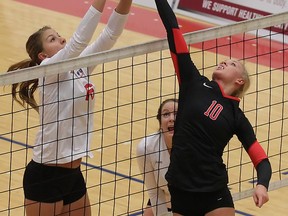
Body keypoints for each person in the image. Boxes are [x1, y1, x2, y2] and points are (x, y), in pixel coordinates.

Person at [6, 0, 132, 215]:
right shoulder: (48, 70)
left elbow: (110, 34)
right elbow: (78, 41)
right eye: (52, 39)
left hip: (73, 172)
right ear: (43, 56)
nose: (61, 38)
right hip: (46, 174)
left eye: (58, 34)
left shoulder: (79, 65)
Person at [153, 0, 272, 216]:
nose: (225, 62)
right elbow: (173, 29)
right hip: (179, 189)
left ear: (240, 82)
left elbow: (261, 159)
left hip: (213, 193)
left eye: (233, 64)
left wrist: (262, 184)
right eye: (225, 60)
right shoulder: (193, 82)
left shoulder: (236, 116)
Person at [137, 98, 178, 216]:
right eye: (166, 114)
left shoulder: (196, 146)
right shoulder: (146, 147)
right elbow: (154, 192)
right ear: (160, 123)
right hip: (164, 200)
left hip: (195, 202)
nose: (171, 118)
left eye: (176, 114)